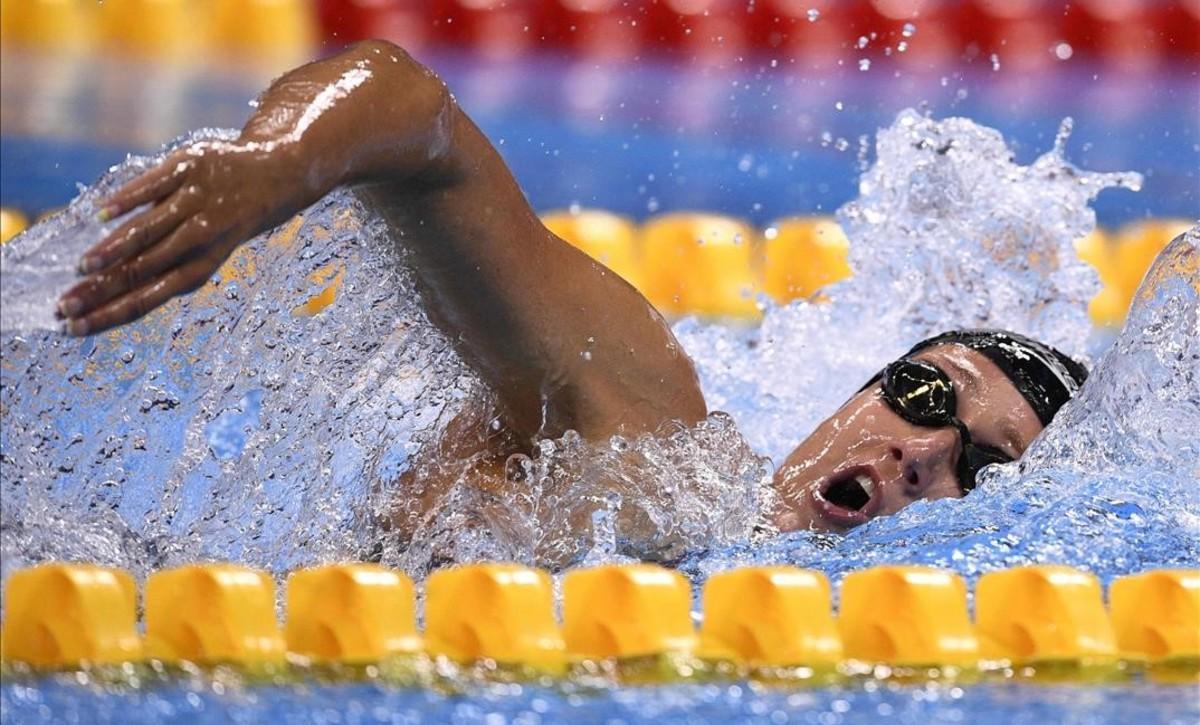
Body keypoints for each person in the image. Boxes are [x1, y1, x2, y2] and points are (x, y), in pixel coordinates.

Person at [53, 40, 1087, 537]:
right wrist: (272, 165)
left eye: (982, 468)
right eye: (922, 395)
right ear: (865, 387)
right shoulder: (644, 431)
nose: (922, 450)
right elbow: (410, 106)